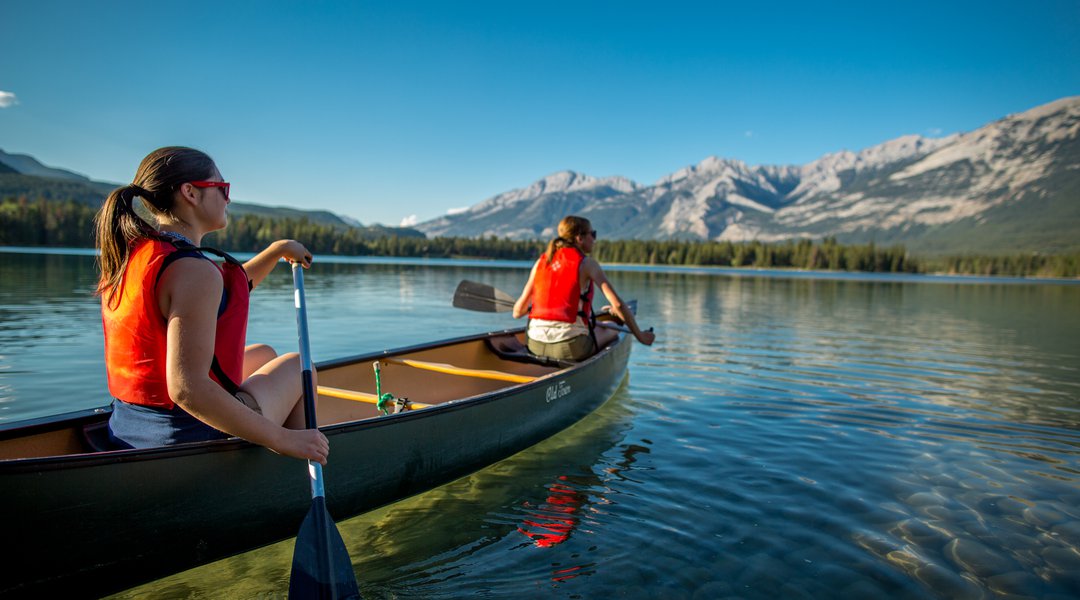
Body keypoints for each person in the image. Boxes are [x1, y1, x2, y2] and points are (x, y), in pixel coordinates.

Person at [94, 146, 328, 464]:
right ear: (190, 192)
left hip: (129, 424)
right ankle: (299, 462)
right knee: (299, 366)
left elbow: (227, 294)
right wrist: (284, 439)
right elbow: (186, 389)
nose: (228, 198)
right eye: (221, 188)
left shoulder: (139, 255)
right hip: (183, 434)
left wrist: (276, 251)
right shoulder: (193, 270)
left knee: (263, 354)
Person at [512, 215, 655, 360]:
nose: (594, 239)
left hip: (534, 345)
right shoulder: (587, 264)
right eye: (592, 234)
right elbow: (618, 304)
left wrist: (545, 308)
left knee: (597, 326)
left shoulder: (541, 262)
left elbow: (517, 312)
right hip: (569, 347)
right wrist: (641, 337)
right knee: (611, 326)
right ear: (579, 238)